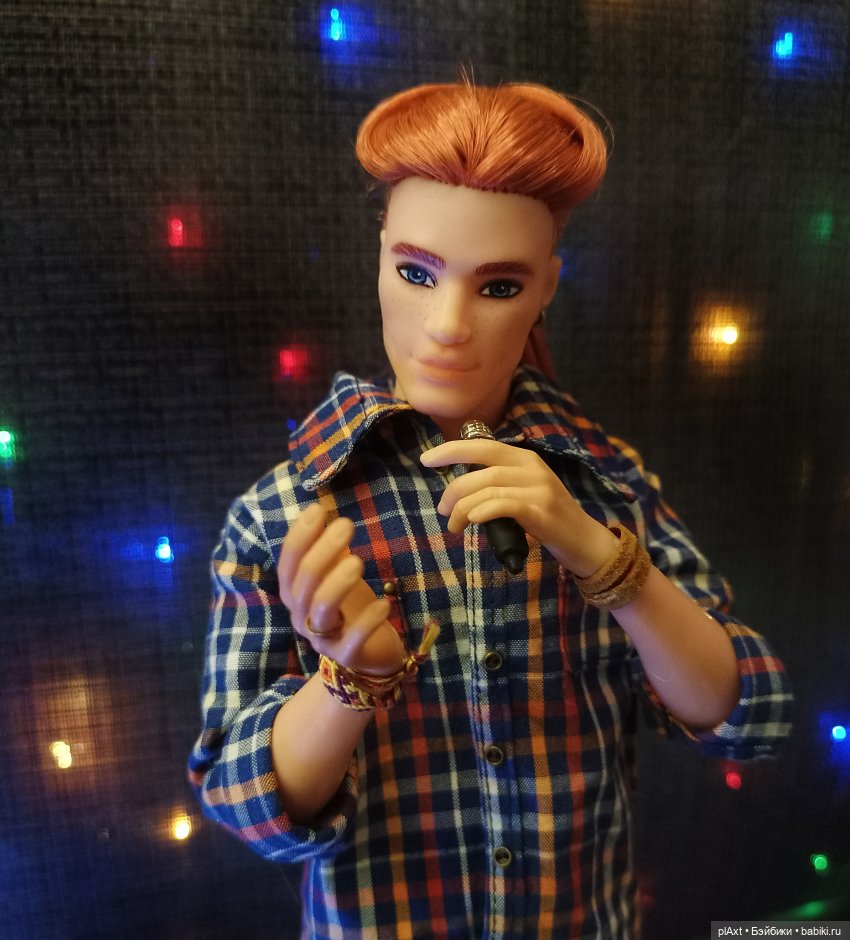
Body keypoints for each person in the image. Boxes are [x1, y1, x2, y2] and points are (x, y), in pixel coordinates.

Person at [188, 81, 792, 939]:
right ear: (380, 257)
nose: (447, 325)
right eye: (416, 273)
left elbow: (747, 716)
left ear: (547, 288)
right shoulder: (286, 512)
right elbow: (244, 805)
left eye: (499, 286)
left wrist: (604, 559)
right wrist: (347, 682)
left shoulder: (607, 483)